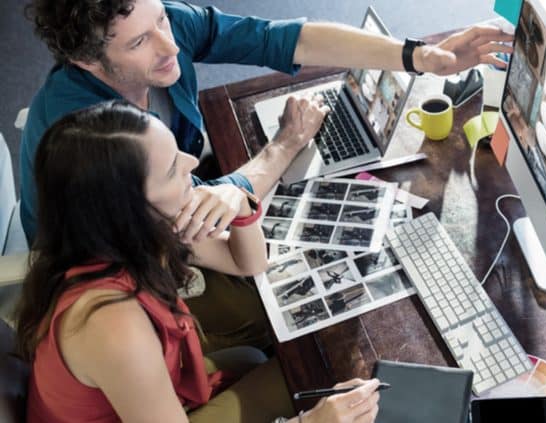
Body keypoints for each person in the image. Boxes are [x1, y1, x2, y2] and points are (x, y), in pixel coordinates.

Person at [20, 0, 512, 352]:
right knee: (320, 319)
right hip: (127, 273)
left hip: (172, 213)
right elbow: (197, 213)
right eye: (140, 41)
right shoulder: (88, 132)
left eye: (163, 19)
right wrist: (285, 144)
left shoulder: (154, 24)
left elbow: (284, 38)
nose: (170, 44)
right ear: (87, 60)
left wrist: (418, 57)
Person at [15, 101, 381, 423]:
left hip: (150, 394)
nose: (192, 163)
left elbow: (249, 263)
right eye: (173, 168)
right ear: (130, 208)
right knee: (319, 381)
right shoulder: (111, 325)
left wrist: (238, 201)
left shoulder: (126, 231)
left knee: (296, 370)